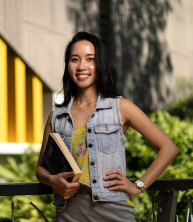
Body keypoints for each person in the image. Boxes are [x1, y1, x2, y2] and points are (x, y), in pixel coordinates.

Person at [36, 32, 179, 222]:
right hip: (69, 214)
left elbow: (169, 148)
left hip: (115, 214)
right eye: (75, 59)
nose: (81, 66)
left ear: (100, 64)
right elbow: (41, 169)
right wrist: (52, 180)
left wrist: (138, 186)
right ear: (67, 65)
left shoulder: (120, 107)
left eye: (90, 59)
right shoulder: (57, 116)